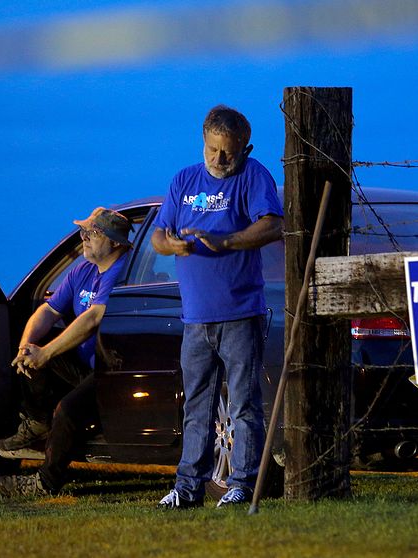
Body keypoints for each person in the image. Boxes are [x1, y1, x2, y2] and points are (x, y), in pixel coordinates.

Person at [152, 105, 283, 509]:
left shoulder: (253, 175)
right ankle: (188, 487)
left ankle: (241, 483)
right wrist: (171, 245)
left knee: (243, 404)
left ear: (244, 148)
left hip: (240, 311)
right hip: (195, 317)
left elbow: (273, 224)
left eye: (227, 152)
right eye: (212, 150)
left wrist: (225, 241)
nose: (219, 160)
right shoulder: (184, 180)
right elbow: (158, 234)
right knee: (196, 405)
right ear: (203, 142)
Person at [0, 207, 133, 497]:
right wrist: (27, 348)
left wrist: (45, 353)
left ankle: (46, 483)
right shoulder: (83, 270)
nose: (83, 237)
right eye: (84, 231)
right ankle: (38, 420)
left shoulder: (121, 273)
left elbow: (93, 319)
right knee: (32, 350)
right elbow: (47, 311)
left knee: (68, 410)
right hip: (86, 366)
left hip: (111, 372)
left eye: (92, 233)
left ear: (115, 243)